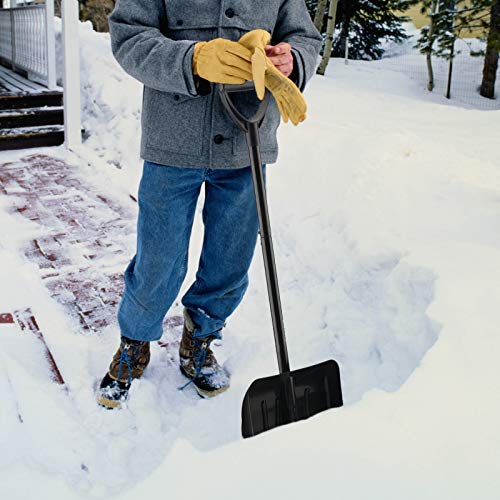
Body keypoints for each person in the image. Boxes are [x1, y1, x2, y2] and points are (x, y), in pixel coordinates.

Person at [96, 0, 322, 409]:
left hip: (247, 139)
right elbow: (129, 35)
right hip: (172, 142)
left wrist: (293, 61)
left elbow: (304, 38)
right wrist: (193, 59)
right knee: (159, 258)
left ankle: (199, 339)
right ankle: (135, 340)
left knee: (231, 257)